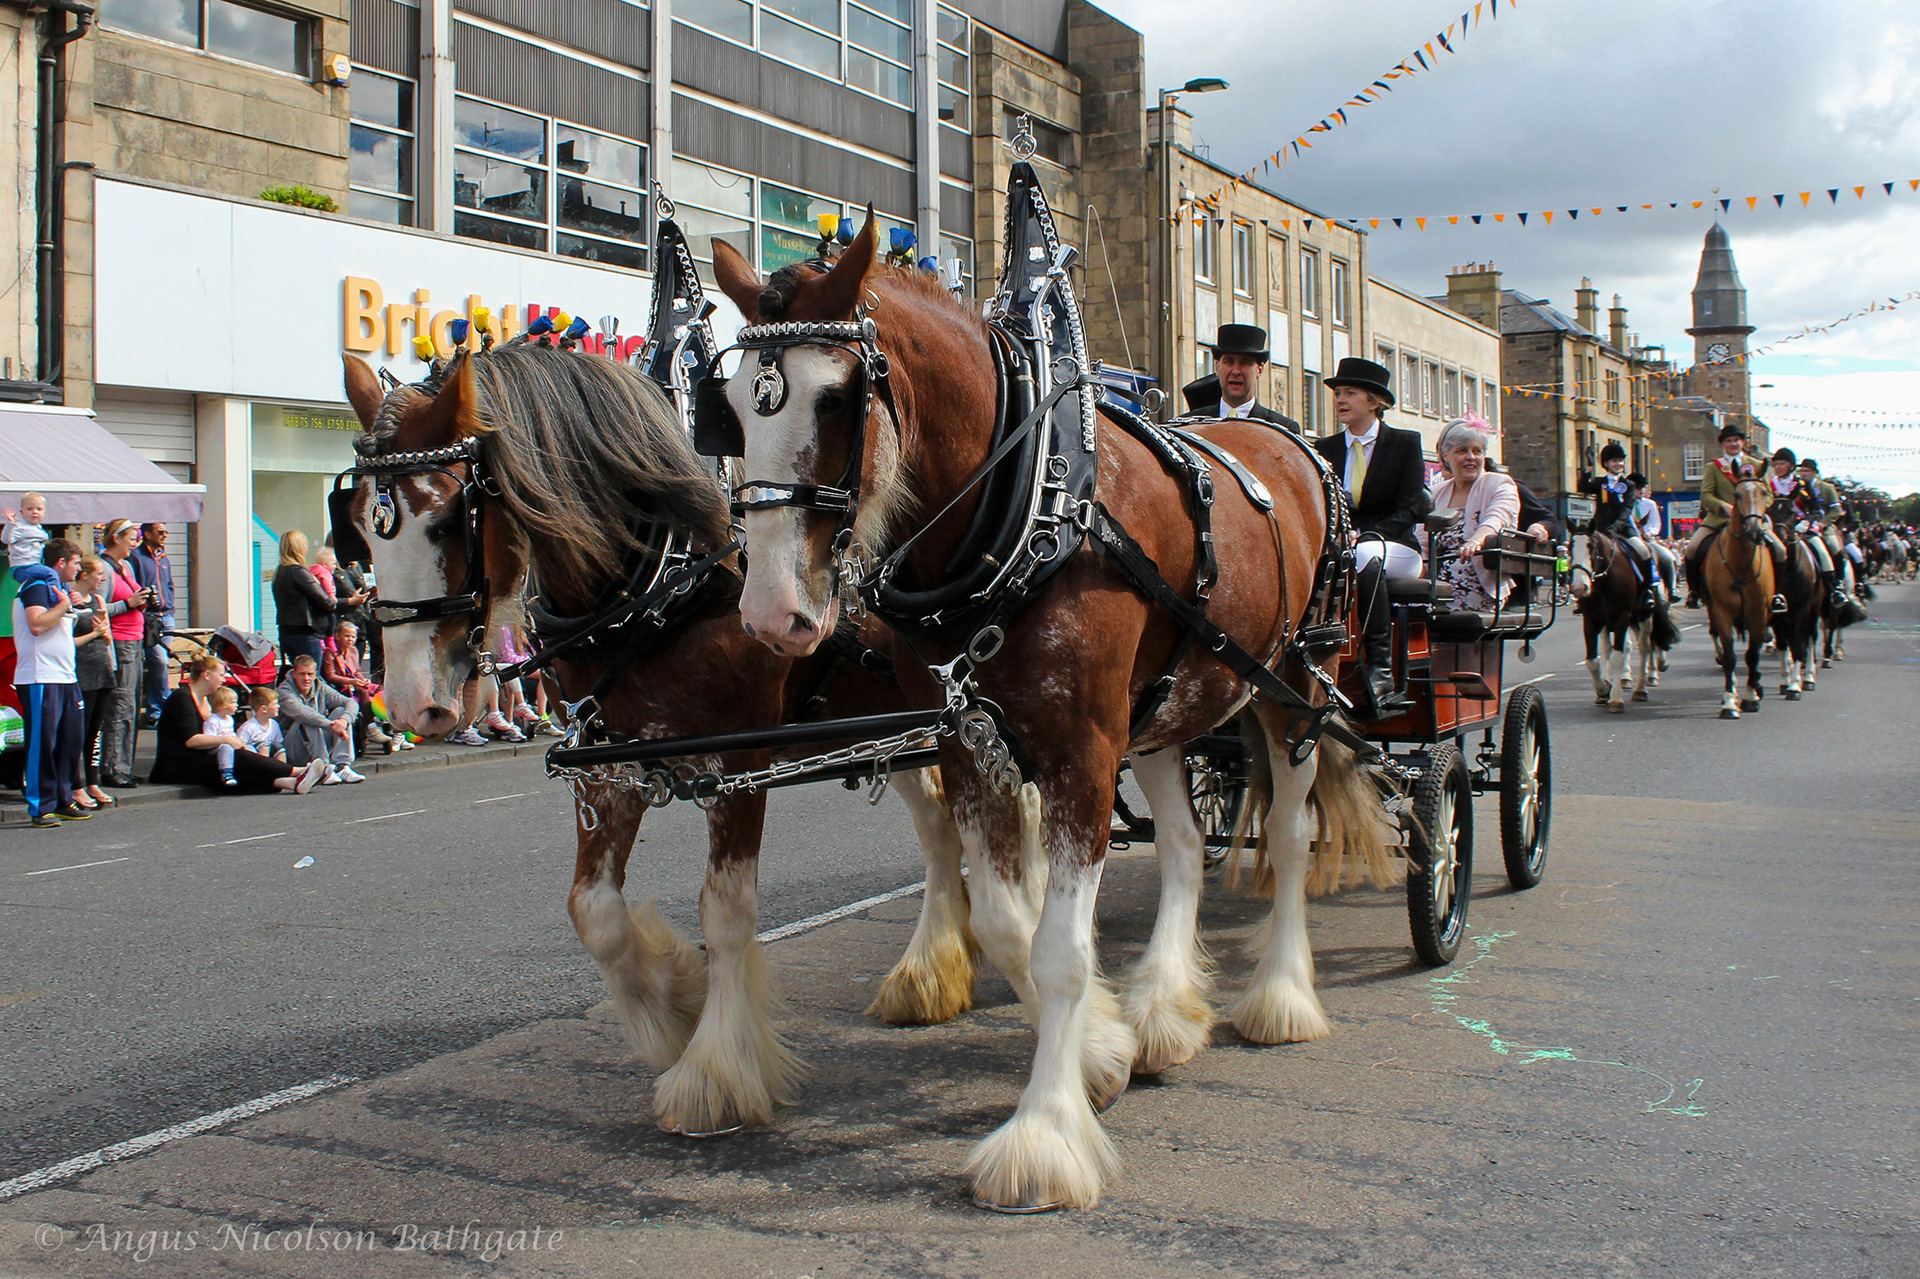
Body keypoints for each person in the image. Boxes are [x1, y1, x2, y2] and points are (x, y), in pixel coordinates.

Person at [1312, 357, 1424, 718]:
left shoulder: (1405, 444)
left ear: (1374, 402)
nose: (1340, 399)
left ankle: (1379, 669)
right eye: (1338, 393)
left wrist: (1366, 534)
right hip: (1343, 546)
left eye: (1351, 393)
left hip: (1398, 547)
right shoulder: (1324, 448)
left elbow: (1409, 508)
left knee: (1364, 555)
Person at [152, 653, 324, 794]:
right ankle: (298, 771)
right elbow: (192, 740)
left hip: (204, 757)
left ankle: (289, 783)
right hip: (180, 765)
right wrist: (227, 741)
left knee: (238, 770)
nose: (224, 679)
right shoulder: (182, 699)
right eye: (220, 675)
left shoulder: (206, 700)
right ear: (206, 675)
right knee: (237, 757)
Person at [12, 538, 88, 826]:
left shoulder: (59, 590)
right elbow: (37, 624)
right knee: (43, 743)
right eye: (76, 563)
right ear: (61, 563)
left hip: (66, 676)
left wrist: (72, 604)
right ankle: (40, 807)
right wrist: (66, 604)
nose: (79, 569)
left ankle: (61, 798)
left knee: (70, 742)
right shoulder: (36, 586)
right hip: (40, 676)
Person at [1419, 418, 1521, 612]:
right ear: (1445, 456)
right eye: (1462, 451)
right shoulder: (1435, 492)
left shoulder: (1499, 484)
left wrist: (1475, 541)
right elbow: (1421, 539)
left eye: (1477, 451)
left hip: (1477, 581)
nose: (1471, 457)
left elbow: (1497, 518)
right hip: (1434, 583)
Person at [98, 518, 155, 788]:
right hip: (118, 644)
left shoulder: (128, 566)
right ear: (116, 538)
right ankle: (112, 767)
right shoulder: (103, 568)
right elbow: (98, 610)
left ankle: (125, 764)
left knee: (132, 705)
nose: (136, 542)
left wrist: (141, 602)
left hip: (135, 641)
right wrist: (127, 604)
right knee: (120, 706)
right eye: (132, 537)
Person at [1684, 423, 1763, 606]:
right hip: (1719, 519)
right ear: (1723, 444)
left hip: (1752, 518)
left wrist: (1756, 510)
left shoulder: (1757, 465)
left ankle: (1777, 594)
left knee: (1780, 549)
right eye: (1729, 441)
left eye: (1736, 440)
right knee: (1692, 549)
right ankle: (1694, 591)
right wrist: (1722, 506)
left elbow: (1768, 495)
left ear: (1742, 442)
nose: (1733, 444)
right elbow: (1705, 495)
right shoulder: (1714, 467)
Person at [1577, 443, 1660, 613]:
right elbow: (1583, 488)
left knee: (1644, 552)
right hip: (1600, 530)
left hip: (1623, 529)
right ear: (1606, 463)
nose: (1619, 464)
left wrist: (1615, 527)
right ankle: (1584, 597)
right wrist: (1588, 468)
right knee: (1585, 554)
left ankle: (1647, 590)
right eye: (1615, 461)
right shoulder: (1600, 482)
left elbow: (1626, 509)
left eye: (1621, 461)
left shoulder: (1628, 485)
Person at [272, 530, 365, 668]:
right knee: (313, 677)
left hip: (286, 632)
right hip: (307, 634)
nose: (307, 549)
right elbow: (327, 602)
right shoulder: (299, 572)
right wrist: (350, 601)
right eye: (305, 545)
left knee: (300, 676)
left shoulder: (279, 572)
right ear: (300, 548)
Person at [70, 556, 119, 809]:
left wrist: (105, 634)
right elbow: (67, 641)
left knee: (97, 730)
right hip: (81, 671)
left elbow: (106, 636)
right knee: (80, 730)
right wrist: (95, 633)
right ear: (85, 575)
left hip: (102, 668)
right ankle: (75, 784)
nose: (102, 578)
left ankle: (93, 781)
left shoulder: (98, 601)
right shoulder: (69, 601)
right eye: (99, 573)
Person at [1178, 324, 1300, 427]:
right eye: (1229, 362)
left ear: (1259, 370)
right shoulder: (1190, 425)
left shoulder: (1280, 428)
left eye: (1245, 363)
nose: (1236, 371)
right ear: (1217, 367)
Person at [277, 654, 365, 783]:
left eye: (310, 674)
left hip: (320, 743)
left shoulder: (320, 686)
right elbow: (303, 713)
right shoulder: (284, 691)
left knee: (341, 712)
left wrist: (344, 721)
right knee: (310, 720)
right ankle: (323, 769)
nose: (306, 678)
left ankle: (342, 767)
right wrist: (332, 726)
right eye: (301, 674)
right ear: (293, 674)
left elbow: (351, 702)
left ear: (315, 674)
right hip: (294, 748)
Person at [321, 620, 396, 754]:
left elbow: (357, 673)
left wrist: (363, 680)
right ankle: (371, 727)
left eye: (353, 637)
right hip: (341, 688)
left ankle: (391, 726)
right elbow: (330, 676)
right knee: (362, 692)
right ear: (337, 636)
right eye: (347, 636)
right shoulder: (330, 652)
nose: (350, 640)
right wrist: (352, 681)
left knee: (382, 689)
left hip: (355, 684)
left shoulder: (354, 651)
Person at [130, 523, 176, 726]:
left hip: (167, 617)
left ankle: (156, 711)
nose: (164, 535)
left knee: (162, 665)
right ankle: (161, 709)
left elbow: (169, 585)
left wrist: (171, 606)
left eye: (166, 532)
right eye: (160, 532)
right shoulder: (137, 557)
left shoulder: (164, 557)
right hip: (149, 618)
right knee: (160, 661)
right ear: (147, 534)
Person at [1628, 473, 1676, 602]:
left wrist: (1648, 533)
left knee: (1668, 557)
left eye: (1643, 487)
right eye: (1638, 488)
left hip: (1648, 539)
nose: (1641, 490)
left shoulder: (1651, 504)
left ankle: (1672, 589)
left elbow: (1656, 523)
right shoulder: (1625, 503)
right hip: (1630, 537)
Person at [3, 492, 49, 583]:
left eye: (39, 509)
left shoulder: (39, 529)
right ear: (22, 512)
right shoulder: (19, 526)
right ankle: (56, 596)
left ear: (44, 512)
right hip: (22, 566)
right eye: (29, 509)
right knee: (51, 574)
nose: (34, 512)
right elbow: (6, 539)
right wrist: (11, 524)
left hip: (35, 565)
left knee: (46, 582)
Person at [203, 685, 242, 788]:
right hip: (216, 747)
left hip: (228, 744)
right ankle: (226, 773)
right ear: (221, 705)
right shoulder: (213, 721)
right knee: (226, 748)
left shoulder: (229, 719)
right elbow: (209, 738)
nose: (236, 705)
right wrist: (225, 740)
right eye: (232, 703)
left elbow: (231, 733)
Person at [238, 688, 288, 763]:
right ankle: (263, 771)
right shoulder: (248, 727)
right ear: (264, 709)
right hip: (254, 761)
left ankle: (283, 770)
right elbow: (241, 748)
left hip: (271, 759)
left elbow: (278, 742)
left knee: (278, 747)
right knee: (264, 746)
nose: (278, 706)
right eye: (275, 704)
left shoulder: (274, 724)